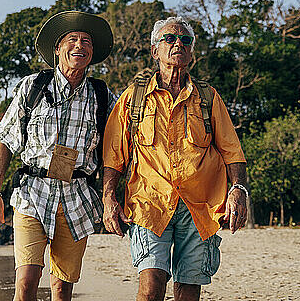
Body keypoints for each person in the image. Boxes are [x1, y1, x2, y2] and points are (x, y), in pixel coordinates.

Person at [102, 16, 248, 301]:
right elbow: (113, 156)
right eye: (169, 38)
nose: (178, 43)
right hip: (149, 202)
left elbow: (232, 151)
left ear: (192, 52)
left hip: (201, 205)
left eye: (185, 40)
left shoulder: (208, 97)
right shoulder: (133, 97)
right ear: (155, 50)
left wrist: (238, 191)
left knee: (189, 289)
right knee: (151, 283)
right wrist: (109, 198)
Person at [0, 11, 116, 301]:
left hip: (77, 197)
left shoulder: (103, 95)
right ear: (57, 49)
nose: (79, 46)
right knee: (26, 282)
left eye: (86, 42)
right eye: (72, 39)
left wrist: (113, 196)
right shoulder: (32, 86)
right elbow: (6, 141)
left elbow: (121, 146)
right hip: (33, 193)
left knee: (61, 289)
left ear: (92, 53)